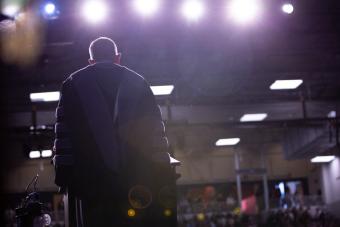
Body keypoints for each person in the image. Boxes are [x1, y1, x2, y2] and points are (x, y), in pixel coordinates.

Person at [52, 37, 179, 227]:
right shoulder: (139, 83)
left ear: (91, 61)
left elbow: (63, 138)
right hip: (135, 184)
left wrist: (64, 176)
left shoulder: (72, 84)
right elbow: (156, 133)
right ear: (117, 57)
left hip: (91, 186)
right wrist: (160, 172)